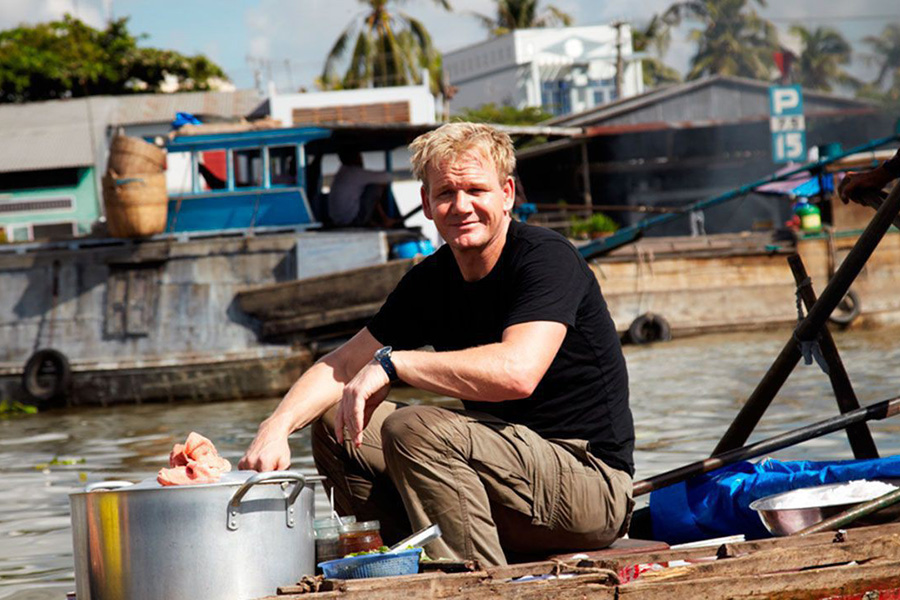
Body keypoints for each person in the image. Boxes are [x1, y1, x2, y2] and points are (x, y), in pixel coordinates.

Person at [239, 122, 634, 566]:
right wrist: (275, 428)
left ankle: (471, 584)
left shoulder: (546, 258)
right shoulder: (431, 280)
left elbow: (517, 372)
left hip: (591, 485)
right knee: (338, 419)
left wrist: (393, 365)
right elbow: (343, 366)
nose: (461, 206)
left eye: (476, 190)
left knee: (415, 428)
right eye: (446, 193)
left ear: (506, 194)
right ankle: (395, 563)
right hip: (504, 476)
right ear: (426, 203)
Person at [328, 151, 397, 227]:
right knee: (375, 187)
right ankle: (385, 220)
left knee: (369, 187)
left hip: (337, 220)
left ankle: (381, 219)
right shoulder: (354, 172)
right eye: (359, 156)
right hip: (351, 221)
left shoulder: (342, 172)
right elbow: (388, 177)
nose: (361, 159)